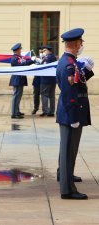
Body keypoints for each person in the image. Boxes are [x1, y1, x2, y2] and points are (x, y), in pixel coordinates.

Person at [56, 28, 94, 200]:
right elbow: (69, 93)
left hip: (72, 113)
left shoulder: (71, 62)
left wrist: (87, 70)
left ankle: (68, 183)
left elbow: (77, 83)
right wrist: (73, 118)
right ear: (75, 44)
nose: (82, 45)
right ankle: (67, 190)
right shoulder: (69, 65)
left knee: (69, 151)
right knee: (68, 152)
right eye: (81, 42)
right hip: (71, 114)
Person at [9, 43, 35, 119]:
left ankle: (17, 111)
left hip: (20, 79)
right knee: (16, 96)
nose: (21, 50)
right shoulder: (14, 58)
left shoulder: (19, 57)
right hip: (17, 79)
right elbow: (22, 65)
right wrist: (30, 61)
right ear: (17, 50)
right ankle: (14, 113)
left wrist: (32, 60)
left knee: (19, 96)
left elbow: (25, 62)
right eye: (20, 49)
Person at [40, 45, 57, 117]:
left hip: (46, 79)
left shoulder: (48, 58)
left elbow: (43, 65)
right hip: (53, 80)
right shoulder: (54, 57)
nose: (44, 52)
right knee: (52, 96)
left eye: (45, 50)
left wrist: (40, 61)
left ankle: (46, 111)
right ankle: (51, 111)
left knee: (44, 95)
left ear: (48, 50)